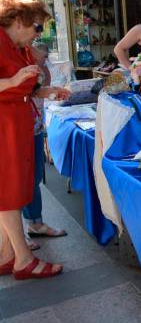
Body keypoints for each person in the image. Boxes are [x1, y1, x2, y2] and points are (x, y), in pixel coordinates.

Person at [0, 0, 71, 280]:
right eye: (37, 26)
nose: (39, 33)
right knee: (8, 193)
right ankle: (23, 259)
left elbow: (22, 90)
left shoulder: (16, 46)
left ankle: (7, 255)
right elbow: (13, 84)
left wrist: (44, 91)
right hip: (4, 126)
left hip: (16, 123)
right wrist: (15, 80)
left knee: (12, 190)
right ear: (18, 20)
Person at [24, 43, 66, 250]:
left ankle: (35, 223)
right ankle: (13, 237)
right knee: (17, 181)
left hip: (35, 126)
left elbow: (40, 87)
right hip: (16, 129)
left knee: (34, 178)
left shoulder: (36, 61)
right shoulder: (15, 54)